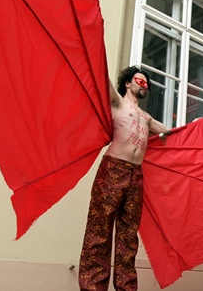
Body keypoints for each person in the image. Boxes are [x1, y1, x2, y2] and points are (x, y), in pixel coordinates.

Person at [79, 65, 172, 291]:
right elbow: (101, 79)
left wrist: (197, 127)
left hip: (136, 176)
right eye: (140, 81)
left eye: (146, 84)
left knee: (128, 237)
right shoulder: (117, 103)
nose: (144, 86)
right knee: (99, 231)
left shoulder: (147, 118)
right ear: (128, 84)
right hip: (113, 169)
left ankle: (126, 288)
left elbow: (172, 134)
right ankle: (92, 287)